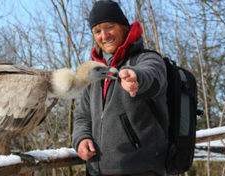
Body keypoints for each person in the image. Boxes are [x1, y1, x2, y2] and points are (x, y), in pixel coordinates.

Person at [72, 1, 169, 176]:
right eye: (97, 31)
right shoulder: (94, 73)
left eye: (109, 27)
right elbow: (82, 115)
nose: (104, 35)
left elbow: (152, 75)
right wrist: (81, 138)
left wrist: (136, 77)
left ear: (124, 27)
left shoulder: (147, 58)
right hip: (97, 170)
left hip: (140, 170)